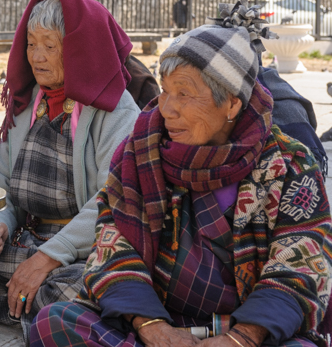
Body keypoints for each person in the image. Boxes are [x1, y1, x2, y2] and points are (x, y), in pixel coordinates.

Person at [30, 24, 332, 347]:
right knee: (53, 322)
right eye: (165, 90)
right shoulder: (140, 151)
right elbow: (112, 242)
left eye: (184, 93)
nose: (166, 108)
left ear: (231, 104)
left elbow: (299, 267)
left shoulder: (289, 165)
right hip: (159, 323)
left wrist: (240, 338)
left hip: (247, 332)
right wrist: (153, 327)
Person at [0, 0, 141, 341]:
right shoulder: (27, 103)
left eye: (49, 45)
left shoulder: (116, 111)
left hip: (77, 255)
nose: (36, 56)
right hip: (25, 239)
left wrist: (46, 259)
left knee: (80, 286)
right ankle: (25, 305)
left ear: (75, 50)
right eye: (31, 44)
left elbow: (111, 201)